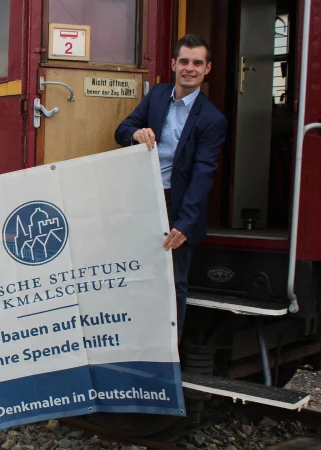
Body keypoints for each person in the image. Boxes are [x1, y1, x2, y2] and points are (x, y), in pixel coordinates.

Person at [115, 34, 227, 338]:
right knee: (135, 274)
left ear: (207, 69)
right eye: (185, 61)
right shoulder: (157, 95)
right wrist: (135, 135)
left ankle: (169, 357)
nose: (190, 68)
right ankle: (134, 344)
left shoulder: (212, 119)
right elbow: (122, 129)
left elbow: (204, 173)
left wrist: (186, 223)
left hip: (177, 208)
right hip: (143, 201)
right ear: (173, 64)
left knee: (173, 282)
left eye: (197, 63)